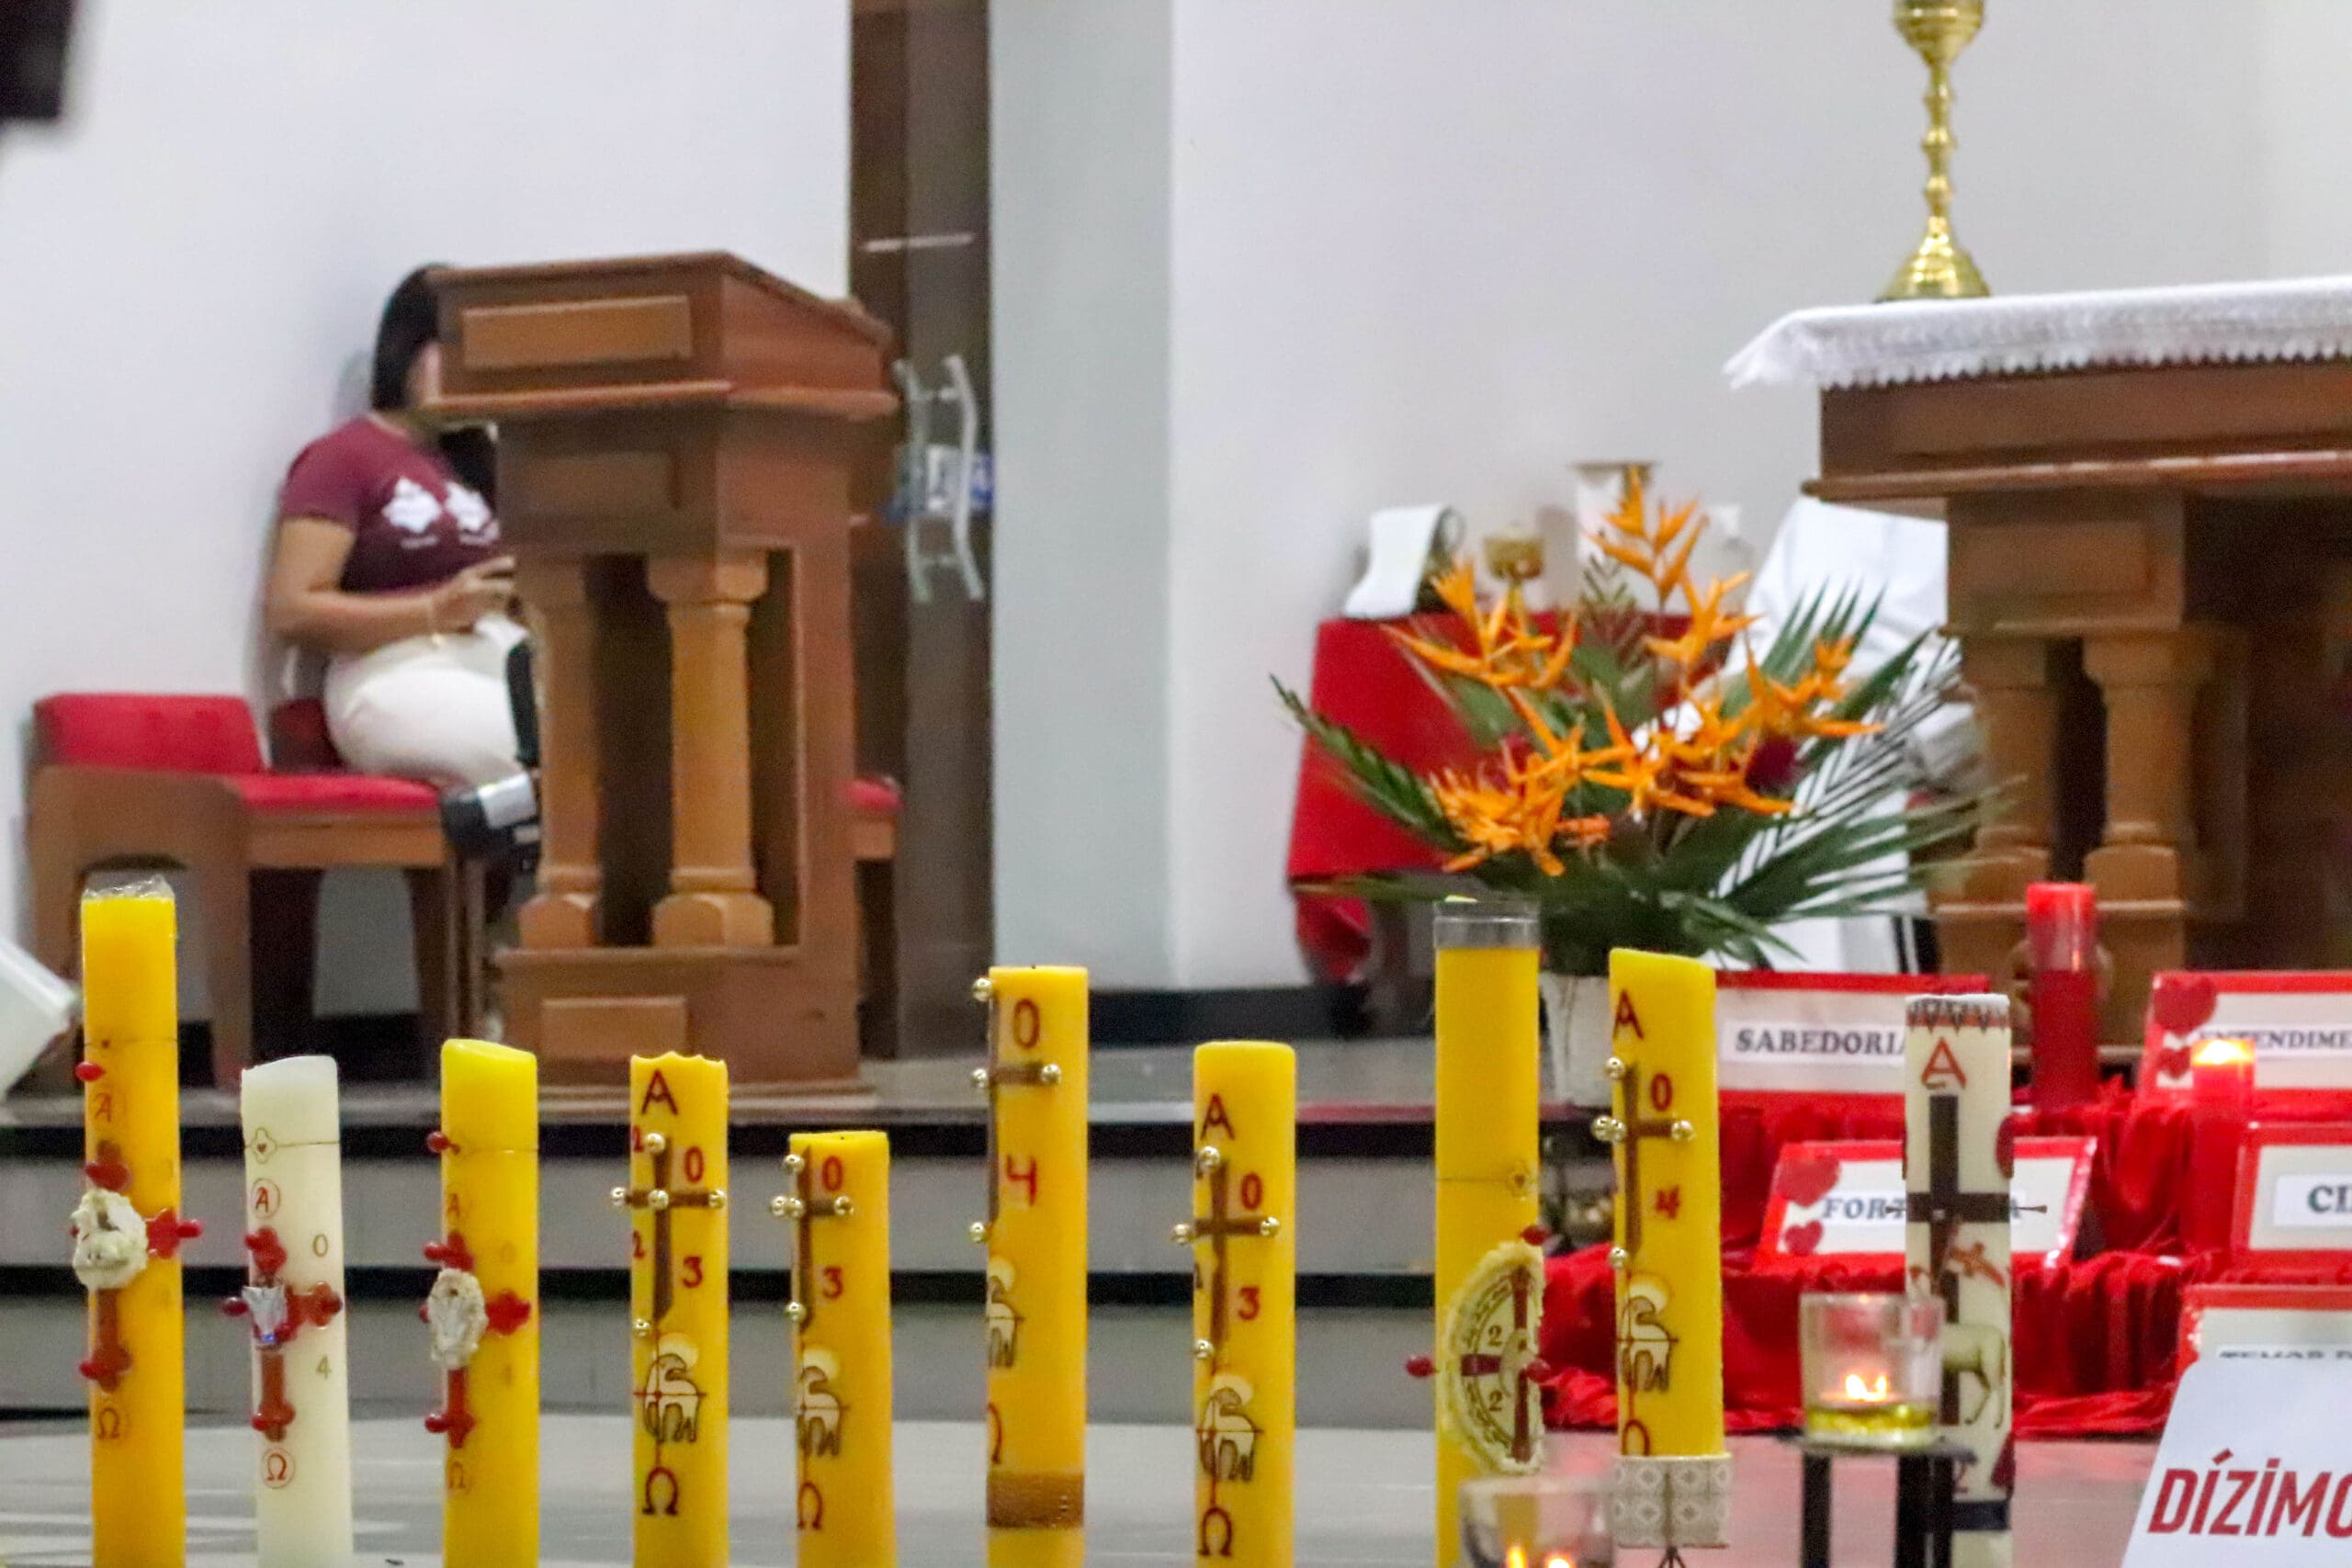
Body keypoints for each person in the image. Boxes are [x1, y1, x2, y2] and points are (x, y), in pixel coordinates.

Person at [264, 266, 525, 788]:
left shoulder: (482, 464)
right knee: (558, 756)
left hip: (498, 657)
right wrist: (436, 609)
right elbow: (292, 607)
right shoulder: (345, 457)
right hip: (396, 670)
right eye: (450, 350)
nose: (466, 373)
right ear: (406, 349)